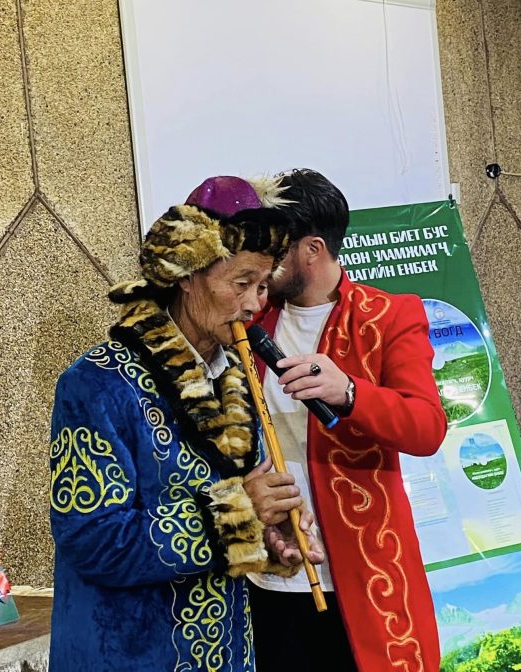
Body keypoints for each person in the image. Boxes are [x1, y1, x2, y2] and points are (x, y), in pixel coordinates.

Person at [48, 175, 324, 672]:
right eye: (240, 283)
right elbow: (92, 541)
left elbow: (241, 507)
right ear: (187, 275)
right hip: (129, 654)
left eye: (263, 285)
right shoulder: (96, 383)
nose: (254, 304)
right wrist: (238, 513)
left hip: (227, 652)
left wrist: (269, 533)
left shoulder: (237, 374)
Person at [248, 169, 447, 672]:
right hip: (267, 571)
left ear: (313, 249)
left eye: (276, 248)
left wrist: (351, 393)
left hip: (362, 569)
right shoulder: (250, 317)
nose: (264, 260)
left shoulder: (389, 315)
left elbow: (427, 428)